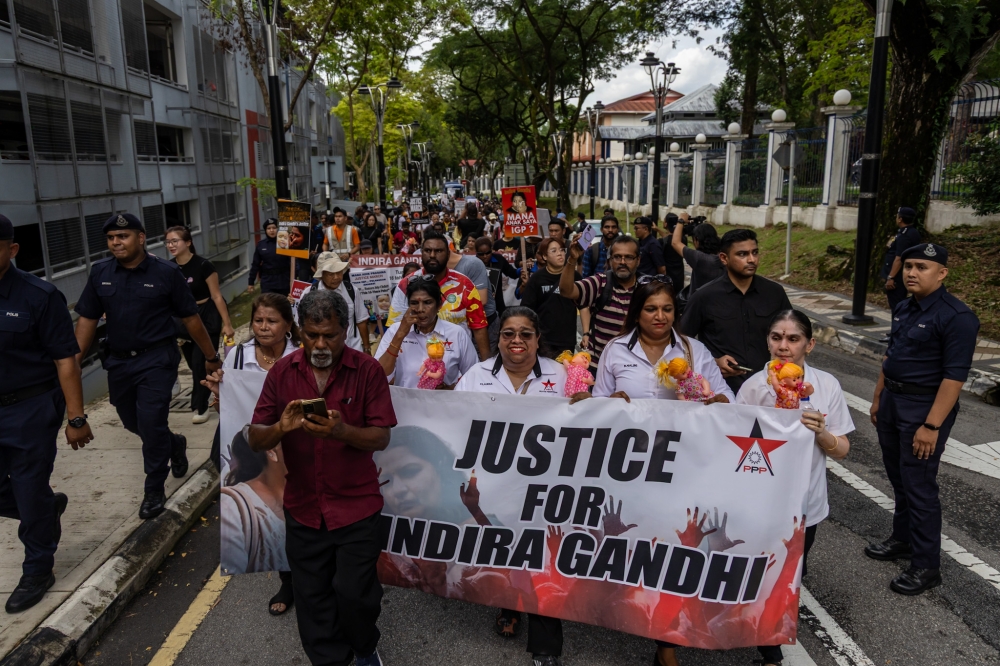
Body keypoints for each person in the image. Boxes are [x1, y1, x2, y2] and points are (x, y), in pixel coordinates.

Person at [248, 290, 396, 666]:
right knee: (312, 598)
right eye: (310, 334)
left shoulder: (367, 370)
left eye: (328, 335)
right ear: (299, 331)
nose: (319, 344)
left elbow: (381, 436)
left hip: (356, 509)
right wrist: (280, 427)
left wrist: (341, 432)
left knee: (355, 594)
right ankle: (330, 660)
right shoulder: (283, 372)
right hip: (304, 509)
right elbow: (254, 437)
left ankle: (364, 648)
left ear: (345, 330)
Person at [74, 214, 222, 519]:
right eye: (112, 237)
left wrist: (210, 355)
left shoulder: (166, 273)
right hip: (118, 361)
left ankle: (154, 488)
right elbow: (87, 319)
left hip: (156, 360)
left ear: (140, 238)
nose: (116, 242)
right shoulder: (100, 273)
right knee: (132, 421)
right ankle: (175, 444)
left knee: (152, 422)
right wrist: (73, 362)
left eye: (123, 236)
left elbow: (191, 319)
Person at [731, 308, 853, 665]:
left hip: (805, 506)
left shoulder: (826, 385)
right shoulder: (754, 386)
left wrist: (822, 433)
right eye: (776, 338)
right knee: (760, 572)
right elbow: (732, 444)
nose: (783, 346)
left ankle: (770, 633)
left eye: (793, 339)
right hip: (759, 503)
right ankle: (770, 654)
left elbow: (843, 449)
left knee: (791, 574)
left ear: (809, 345)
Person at [455, 307, 574, 666]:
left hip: (545, 487)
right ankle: (509, 605)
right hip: (494, 485)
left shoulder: (563, 374)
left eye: (525, 333)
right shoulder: (476, 375)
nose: (517, 340)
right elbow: (454, 421)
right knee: (503, 547)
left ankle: (546, 647)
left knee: (542, 558)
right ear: (498, 338)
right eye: (508, 333)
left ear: (538, 339)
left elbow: (589, 424)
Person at [866, 243, 979, 595]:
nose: (911, 272)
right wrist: (878, 396)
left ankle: (927, 566)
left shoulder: (958, 317)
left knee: (919, 486)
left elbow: (953, 378)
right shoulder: (904, 306)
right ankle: (902, 539)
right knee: (899, 479)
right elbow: (891, 355)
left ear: (942, 273)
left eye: (922, 267)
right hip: (893, 402)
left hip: (924, 409)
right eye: (909, 266)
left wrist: (931, 426)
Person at [0, 214, 93, 613]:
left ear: (12, 249)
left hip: (30, 407)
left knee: (27, 482)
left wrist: (76, 418)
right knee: (30, 497)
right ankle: (43, 507)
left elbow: (66, 360)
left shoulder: (38, 295)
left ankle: (38, 568)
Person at [204, 292, 300, 613]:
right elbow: (229, 411)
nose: (263, 327)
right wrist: (219, 396)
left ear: (288, 325)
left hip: (295, 451)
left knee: (299, 514)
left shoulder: (300, 356)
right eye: (258, 320)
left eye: (272, 321)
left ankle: (311, 579)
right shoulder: (237, 355)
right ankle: (288, 582)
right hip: (258, 452)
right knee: (275, 515)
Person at [680, 228, 792, 395]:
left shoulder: (775, 293)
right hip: (720, 391)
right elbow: (682, 343)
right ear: (724, 258)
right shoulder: (704, 296)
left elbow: (792, 336)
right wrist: (713, 362)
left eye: (755, 253)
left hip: (769, 390)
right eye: (742, 254)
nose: (752, 259)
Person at [585, 278, 732, 404]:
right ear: (636, 315)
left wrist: (721, 401)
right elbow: (600, 401)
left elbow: (726, 395)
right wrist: (611, 402)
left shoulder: (697, 350)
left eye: (667, 309)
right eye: (651, 309)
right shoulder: (615, 349)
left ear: (675, 314)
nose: (660, 317)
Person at [165, 226, 236, 424]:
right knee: (191, 362)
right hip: (183, 319)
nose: (171, 245)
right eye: (168, 242)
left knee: (200, 363)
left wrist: (227, 324)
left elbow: (216, 295)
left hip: (206, 316)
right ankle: (218, 389)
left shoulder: (204, 265)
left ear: (188, 242)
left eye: (175, 241)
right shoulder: (169, 268)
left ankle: (201, 405)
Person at [387, 232, 491, 360]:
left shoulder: (465, 285)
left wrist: (487, 366)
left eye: (438, 251)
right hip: (414, 363)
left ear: (448, 254)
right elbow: (394, 329)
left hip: (457, 366)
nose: (432, 255)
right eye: (427, 250)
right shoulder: (405, 285)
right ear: (421, 254)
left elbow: (479, 327)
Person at [376, 278, 477, 388]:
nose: (420, 309)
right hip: (405, 403)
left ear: (439, 305)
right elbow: (379, 375)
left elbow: (474, 377)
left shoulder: (457, 334)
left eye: (427, 302)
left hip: (444, 403)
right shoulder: (395, 331)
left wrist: (451, 389)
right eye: (414, 303)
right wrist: (400, 335)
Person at [560, 235, 640, 372]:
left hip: (635, 368)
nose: (622, 262)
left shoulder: (646, 289)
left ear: (638, 260)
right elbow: (566, 291)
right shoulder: (599, 283)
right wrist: (572, 259)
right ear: (610, 260)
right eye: (617, 257)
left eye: (628, 257)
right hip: (599, 368)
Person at [520, 238, 579, 357]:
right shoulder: (536, 279)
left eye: (562, 250)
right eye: (554, 250)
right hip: (543, 339)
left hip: (566, 339)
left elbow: (584, 306)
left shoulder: (575, 276)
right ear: (545, 257)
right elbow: (526, 309)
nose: (559, 253)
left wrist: (587, 333)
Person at [298, 254, 368, 354]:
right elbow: (300, 325)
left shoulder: (352, 291)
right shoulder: (309, 293)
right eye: (331, 274)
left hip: (351, 349)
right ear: (322, 274)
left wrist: (366, 348)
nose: (336, 277)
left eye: (339, 272)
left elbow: (361, 321)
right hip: (321, 351)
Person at [879, 206, 921, 340]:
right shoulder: (912, 232)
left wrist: (891, 277)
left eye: (897, 215)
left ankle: (896, 334)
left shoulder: (904, 235)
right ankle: (896, 332)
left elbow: (899, 258)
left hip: (897, 276)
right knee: (900, 305)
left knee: (897, 306)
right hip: (903, 274)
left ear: (900, 218)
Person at [669, 214, 724, 295]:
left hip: (699, 303)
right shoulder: (723, 257)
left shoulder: (699, 258)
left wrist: (681, 221)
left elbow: (675, 242)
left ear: (697, 240)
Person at [248, 218, 292, 295]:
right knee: (268, 304)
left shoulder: (285, 242)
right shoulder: (261, 245)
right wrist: (251, 282)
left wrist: (294, 277)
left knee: (283, 305)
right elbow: (255, 264)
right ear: (265, 230)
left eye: (274, 228)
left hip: (283, 280)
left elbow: (293, 260)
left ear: (277, 229)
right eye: (269, 228)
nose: (272, 230)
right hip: (268, 282)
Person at [660, 213, 686, 295]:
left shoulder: (662, 242)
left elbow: (667, 239)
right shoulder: (683, 239)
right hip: (679, 275)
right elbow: (672, 239)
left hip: (667, 276)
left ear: (666, 224)